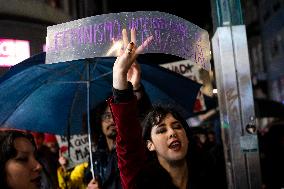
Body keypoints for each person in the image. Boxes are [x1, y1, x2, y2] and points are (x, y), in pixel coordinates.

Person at [109, 28, 217, 188]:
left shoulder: (211, 176)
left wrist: (137, 88)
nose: (172, 133)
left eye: (177, 126)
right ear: (149, 145)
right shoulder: (142, 183)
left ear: (187, 137)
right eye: (161, 130)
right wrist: (120, 78)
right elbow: (129, 140)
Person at [86, 29, 152, 189]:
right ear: (99, 122)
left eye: (113, 115)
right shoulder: (94, 158)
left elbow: (135, 130)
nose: (111, 121)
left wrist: (134, 88)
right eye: (106, 117)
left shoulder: (129, 151)